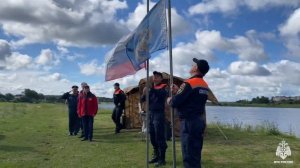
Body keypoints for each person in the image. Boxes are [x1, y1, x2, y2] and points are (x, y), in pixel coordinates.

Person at [167, 58, 210, 168]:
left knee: (188, 155)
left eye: (194, 64)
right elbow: (192, 100)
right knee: (195, 154)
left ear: (196, 68)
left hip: (189, 123)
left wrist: (170, 100)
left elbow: (175, 102)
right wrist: (178, 91)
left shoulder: (189, 83)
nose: (191, 65)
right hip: (199, 121)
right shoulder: (204, 85)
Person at [141, 71, 168, 167]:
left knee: (159, 136)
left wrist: (150, 89)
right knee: (152, 136)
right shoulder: (151, 89)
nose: (155, 78)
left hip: (159, 114)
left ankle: (162, 159)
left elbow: (160, 95)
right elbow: (142, 100)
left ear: (161, 79)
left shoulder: (164, 88)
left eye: (157, 77)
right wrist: (144, 94)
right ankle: (156, 155)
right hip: (151, 113)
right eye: (154, 77)